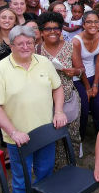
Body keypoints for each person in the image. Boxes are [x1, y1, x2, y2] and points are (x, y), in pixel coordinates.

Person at [0, 25, 66, 193]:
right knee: (22, 179)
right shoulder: (0, 70)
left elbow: (57, 87)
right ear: (11, 45)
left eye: (29, 43)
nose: (25, 47)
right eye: (20, 43)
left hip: (46, 131)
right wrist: (13, 132)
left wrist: (59, 111)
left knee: (45, 169)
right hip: (19, 137)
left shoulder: (44, 62)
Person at [35, 12, 84, 164]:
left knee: (72, 135)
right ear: (41, 32)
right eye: (48, 29)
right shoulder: (36, 50)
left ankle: (72, 165)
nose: (52, 32)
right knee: (53, 137)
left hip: (69, 98)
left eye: (56, 28)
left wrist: (75, 71)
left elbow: (81, 69)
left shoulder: (70, 47)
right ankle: (58, 168)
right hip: (47, 101)